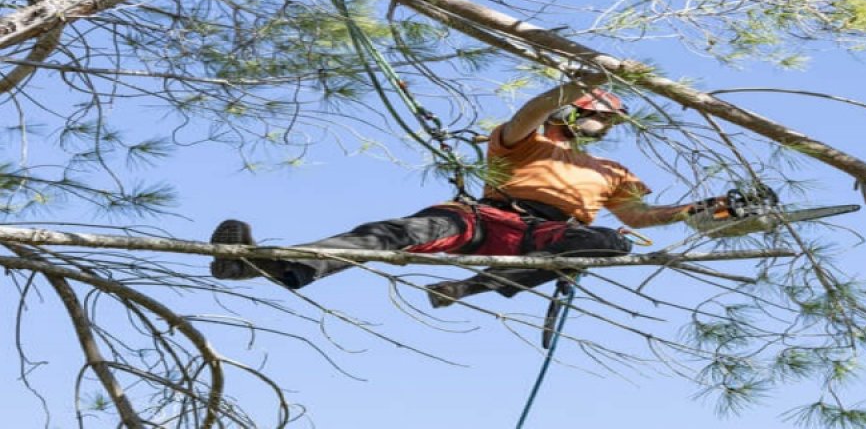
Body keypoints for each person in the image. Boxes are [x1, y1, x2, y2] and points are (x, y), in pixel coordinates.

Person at [209, 77, 723, 308]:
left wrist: (703, 210)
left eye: (608, 120)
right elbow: (526, 114)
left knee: (608, 244)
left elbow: (639, 216)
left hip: (545, 234)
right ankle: (278, 265)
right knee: (392, 233)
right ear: (572, 111)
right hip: (482, 215)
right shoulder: (528, 143)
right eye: (595, 113)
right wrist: (575, 82)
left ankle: (467, 289)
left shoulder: (613, 169)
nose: (602, 125)